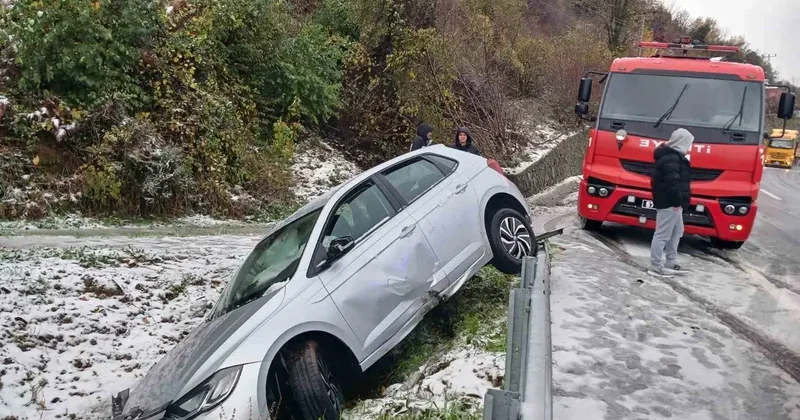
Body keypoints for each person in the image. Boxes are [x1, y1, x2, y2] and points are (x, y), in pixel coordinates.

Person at [648, 128, 693, 278]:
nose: (689, 147)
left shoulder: (674, 157)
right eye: (688, 144)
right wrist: (677, 200)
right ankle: (655, 266)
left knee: (677, 232)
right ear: (682, 142)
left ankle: (670, 262)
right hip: (670, 202)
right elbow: (672, 183)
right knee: (663, 234)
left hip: (674, 202)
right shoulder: (672, 159)